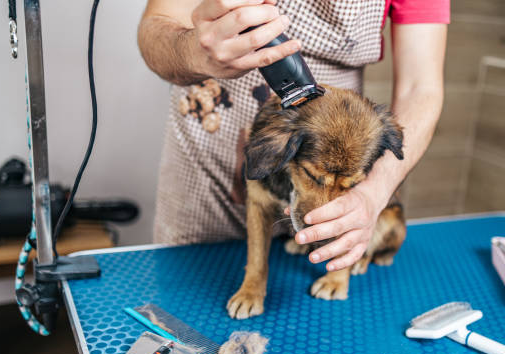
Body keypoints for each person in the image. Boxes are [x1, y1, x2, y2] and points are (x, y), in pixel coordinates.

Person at [138, 0, 448, 273]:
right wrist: (194, 52)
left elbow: (421, 88)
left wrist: (371, 191)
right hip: (204, 176)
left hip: (331, 161)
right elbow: (155, 30)